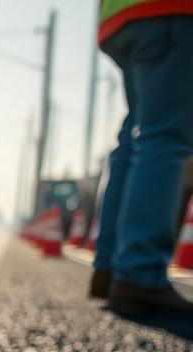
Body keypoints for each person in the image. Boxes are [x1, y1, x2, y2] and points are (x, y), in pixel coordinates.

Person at [91, 0, 193, 315]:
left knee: (138, 133)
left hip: (119, 16)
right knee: (164, 136)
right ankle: (140, 272)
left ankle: (109, 268)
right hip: (169, 10)